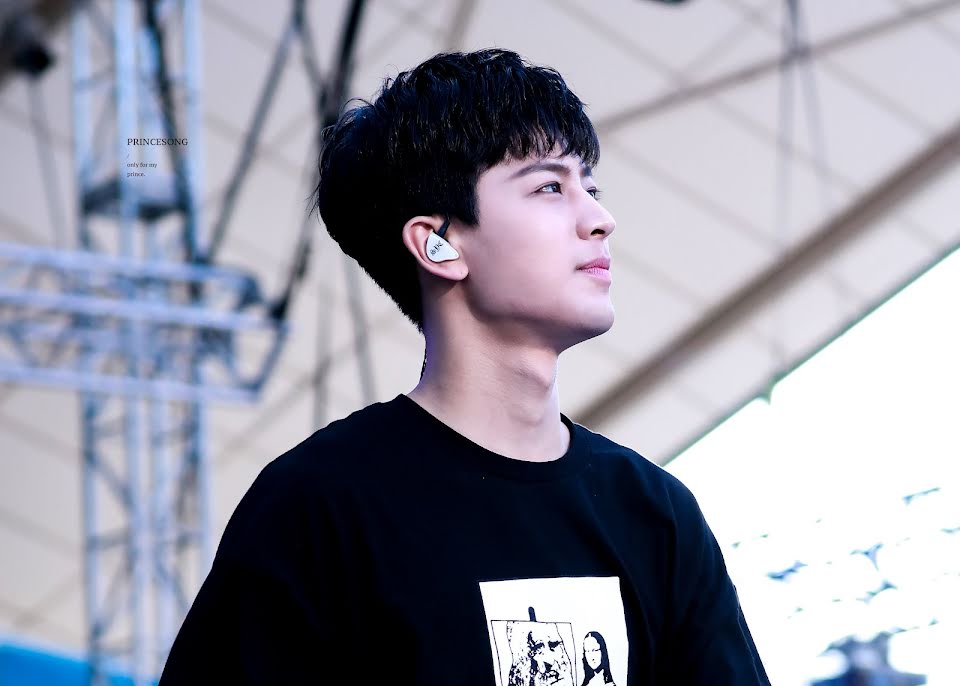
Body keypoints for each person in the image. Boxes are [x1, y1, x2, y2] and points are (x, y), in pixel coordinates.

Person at [158, 48, 770, 685]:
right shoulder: (319, 507)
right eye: (550, 187)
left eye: (590, 188)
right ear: (439, 245)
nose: (600, 219)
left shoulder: (655, 514)